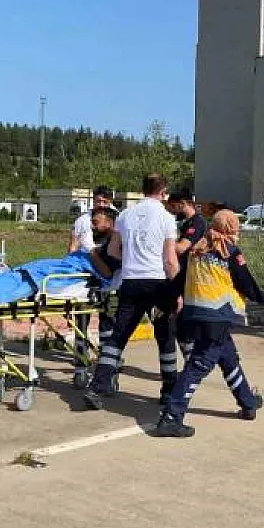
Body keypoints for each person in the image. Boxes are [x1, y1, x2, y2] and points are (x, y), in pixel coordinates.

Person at [153, 210, 264, 438]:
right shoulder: (230, 252)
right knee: (198, 366)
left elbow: (179, 280)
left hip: (194, 316)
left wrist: (167, 302)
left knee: (228, 358)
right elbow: (247, 286)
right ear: (231, 228)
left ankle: (248, 402)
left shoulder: (196, 251)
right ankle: (171, 416)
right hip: (216, 318)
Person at [84, 173, 182, 410]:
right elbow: (170, 260)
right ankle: (169, 390)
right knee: (165, 337)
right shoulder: (167, 218)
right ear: (163, 191)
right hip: (158, 284)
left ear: (142, 189)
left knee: (118, 335)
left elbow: (115, 252)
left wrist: (132, 258)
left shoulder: (125, 216)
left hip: (131, 282)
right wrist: (176, 289)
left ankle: (99, 386)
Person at [0, 206, 121, 315]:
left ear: (110, 223)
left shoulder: (113, 248)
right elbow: (72, 258)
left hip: (59, 277)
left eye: (96, 222)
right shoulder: (99, 246)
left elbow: (105, 274)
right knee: (14, 275)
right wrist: (76, 243)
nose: (92, 226)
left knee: (12, 283)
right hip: (58, 269)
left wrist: (89, 249)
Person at [167, 188, 208, 360]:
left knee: (184, 323)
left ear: (183, 204)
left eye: (174, 207)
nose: (172, 211)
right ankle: (190, 359)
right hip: (182, 276)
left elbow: (182, 248)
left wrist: (163, 240)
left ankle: (192, 361)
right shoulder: (186, 223)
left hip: (190, 278)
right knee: (179, 324)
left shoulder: (196, 223)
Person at [69, 186, 115, 254]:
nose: (101, 205)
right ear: (93, 200)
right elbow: (74, 247)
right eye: (98, 201)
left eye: (105, 202)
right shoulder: (83, 221)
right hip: (87, 257)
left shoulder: (119, 218)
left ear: (110, 202)